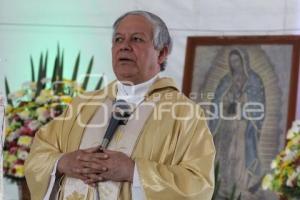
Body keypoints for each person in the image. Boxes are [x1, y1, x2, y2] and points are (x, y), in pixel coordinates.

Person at [25, 10, 215, 200]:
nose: (124, 47)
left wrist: (134, 171)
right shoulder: (83, 105)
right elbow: (39, 152)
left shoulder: (185, 114)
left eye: (137, 39)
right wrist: (63, 162)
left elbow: (199, 185)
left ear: (162, 53)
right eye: (118, 40)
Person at [209, 49, 265, 199]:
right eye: (232, 62)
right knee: (225, 156)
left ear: (243, 61)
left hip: (243, 127)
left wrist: (242, 104)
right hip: (226, 126)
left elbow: (258, 105)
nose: (234, 65)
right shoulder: (226, 81)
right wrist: (227, 103)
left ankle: (240, 188)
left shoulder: (254, 80)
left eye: (237, 61)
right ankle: (223, 188)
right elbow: (217, 101)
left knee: (240, 156)